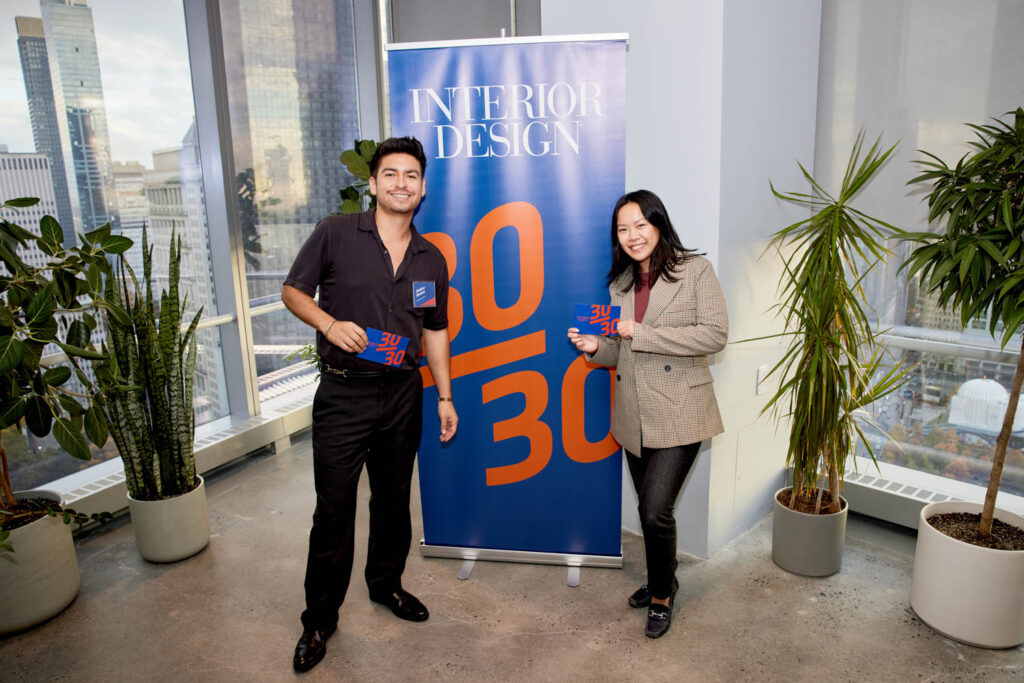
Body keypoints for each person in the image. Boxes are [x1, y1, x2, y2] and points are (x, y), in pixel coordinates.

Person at [282, 136, 458, 672]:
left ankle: (386, 586)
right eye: (391, 174)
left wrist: (445, 396)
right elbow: (293, 291)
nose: (401, 183)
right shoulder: (335, 233)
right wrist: (330, 324)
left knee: (392, 503)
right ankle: (319, 619)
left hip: (403, 395)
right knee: (333, 510)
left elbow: (435, 329)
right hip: (342, 393)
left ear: (422, 187)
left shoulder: (431, 259)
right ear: (374, 183)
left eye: (411, 175)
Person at [567, 189, 727, 639]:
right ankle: (664, 576)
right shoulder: (620, 283)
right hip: (634, 410)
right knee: (648, 508)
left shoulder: (695, 271)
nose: (633, 235)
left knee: (656, 511)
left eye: (640, 224)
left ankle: (661, 597)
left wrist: (641, 330)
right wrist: (597, 347)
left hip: (682, 410)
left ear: (659, 224)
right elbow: (620, 348)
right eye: (623, 228)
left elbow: (714, 335)